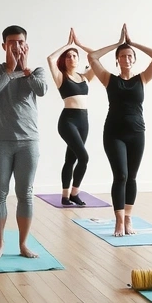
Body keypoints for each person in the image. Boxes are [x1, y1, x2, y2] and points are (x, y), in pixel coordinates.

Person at [77, 24, 152, 236]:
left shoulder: (141, 79)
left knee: (132, 176)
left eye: (129, 56)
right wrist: (117, 43)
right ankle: (118, 220)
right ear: (117, 59)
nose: (126, 59)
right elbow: (93, 57)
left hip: (137, 133)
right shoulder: (109, 79)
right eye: (122, 56)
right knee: (121, 175)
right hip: (114, 133)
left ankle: (128, 219)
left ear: (134, 59)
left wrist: (132, 43)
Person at [0, 25, 49, 260]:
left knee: (25, 194)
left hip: (28, 142)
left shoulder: (36, 72)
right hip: (0, 141)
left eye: (20, 42)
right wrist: (10, 71)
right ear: (4, 46)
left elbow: (42, 91)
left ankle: (23, 244)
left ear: (26, 44)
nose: (17, 46)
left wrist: (25, 70)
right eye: (11, 43)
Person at [47, 29, 96, 206]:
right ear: (64, 60)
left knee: (71, 158)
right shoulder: (61, 77)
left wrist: (79, 45)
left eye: (75, 55)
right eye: (68, 56)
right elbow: (50, 60)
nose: (72, 58)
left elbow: (96, 57)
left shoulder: (85, 77)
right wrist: (68, 45)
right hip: (68, 121)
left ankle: (65, 196)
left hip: (84, 121)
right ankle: (75, 193)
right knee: (84, 157)